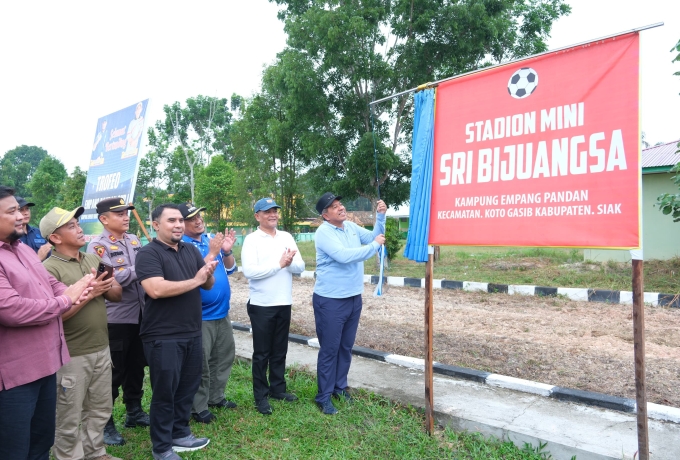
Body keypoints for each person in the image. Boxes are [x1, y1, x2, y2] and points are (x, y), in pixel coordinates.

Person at [0, 186, 93, 460]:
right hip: (13, 377)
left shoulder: (25, 250)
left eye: (20, 210)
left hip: (46, 366)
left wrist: (77, 289)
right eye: (12, 212)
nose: (21, 217)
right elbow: (11, 310)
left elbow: (51, 284)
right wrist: (66, 301)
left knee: (41, 442)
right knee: (13, 450)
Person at [135, 203, 218, 460]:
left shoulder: (190, 250)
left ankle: (180, 432)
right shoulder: (148, 254)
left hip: (192, 330)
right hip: (162, 335)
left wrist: (207, 272)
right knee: (165, 393)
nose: (179, 225)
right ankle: (161, 447)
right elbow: (156, 289)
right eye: (171, 220)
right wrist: (196, 279)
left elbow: (207, 285)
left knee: (187, 387)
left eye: (181, 220)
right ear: (156, 225)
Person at [41, 206, 123, 460]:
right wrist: (91, 294)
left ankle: (95, 452)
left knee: (100, 408)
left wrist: (107, 284)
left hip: (100, 348)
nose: (79, 229)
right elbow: (55, 315)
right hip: (71, 356)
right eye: (71, 226)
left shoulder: (91, 259)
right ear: (55, 237)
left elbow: (117, 294)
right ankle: (69, 456)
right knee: (68, 414)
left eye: (78, 224)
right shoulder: (48, 269)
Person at [312, 193, 386, 415]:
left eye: (340, 204)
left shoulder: (351, 227)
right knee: (330, 349)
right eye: (334, 207)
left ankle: (339, 387)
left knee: (345, 347)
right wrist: (374, 246)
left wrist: (380, 217)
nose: (340, 208)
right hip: (331, 301)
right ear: (325, 216)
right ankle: (323, 396)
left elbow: (375, 235)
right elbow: (344, 256)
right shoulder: (324, 232)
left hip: (354, 297)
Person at [87, 197, 149, 446]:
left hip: (141, 314)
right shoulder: (97, 246)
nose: (125, 217)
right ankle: (105, 423)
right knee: (113, 372)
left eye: (126, 213)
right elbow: (113, 278)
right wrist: (144, 268)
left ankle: (134, 411)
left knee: (136, 366)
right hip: (117, 318)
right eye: (119, 214)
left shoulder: (133, 239)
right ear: (104, 219)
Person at [241, 198, 305, 415]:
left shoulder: (286, 237)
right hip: (262, 305)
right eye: (267, 212)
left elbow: (300, 266)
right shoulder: (252, 240)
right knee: (262, 353)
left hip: (283, 302)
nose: (273, 215)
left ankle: (278, 388)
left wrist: (289, 262)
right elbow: (250, 272)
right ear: (257, 216)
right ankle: (261, 395)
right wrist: (279, 265)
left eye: (275, 211)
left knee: (280, 350)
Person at [179, 203, 238, 424]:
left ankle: (216, 397)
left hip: (222, 313)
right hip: (200, 316)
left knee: (223, 357)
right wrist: (214, 252)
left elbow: (231, 269)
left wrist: (226, 251)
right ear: (181, 224)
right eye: (191, 218)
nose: (198, 220)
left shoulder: (208, 239)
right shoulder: (183, 246)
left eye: (199, 215)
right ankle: (199, 407)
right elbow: (192, 276)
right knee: (201, 364)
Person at [17, 196, 51, 260]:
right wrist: (38, 259)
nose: (26, 213)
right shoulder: (11, 237)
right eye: (21, 210)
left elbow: (49, 256)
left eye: (27, 209)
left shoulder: (39, 232)